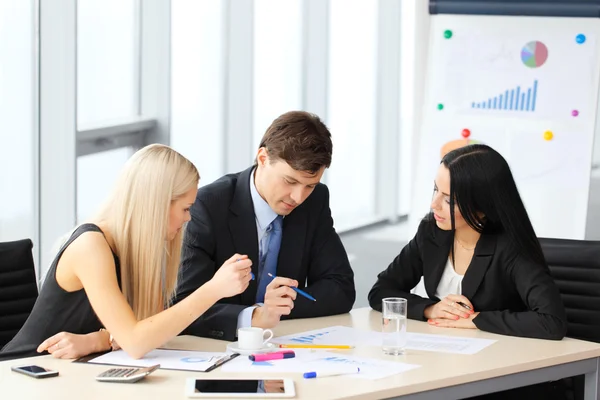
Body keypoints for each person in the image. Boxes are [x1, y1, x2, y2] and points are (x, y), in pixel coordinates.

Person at [1, 144, 252, 360]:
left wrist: (98, 341)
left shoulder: (145, 248)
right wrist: (214, 289)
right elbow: (135, 341)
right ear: (158, 204)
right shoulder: (91, 245)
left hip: (77, 372)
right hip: (25, 372)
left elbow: (151, 330)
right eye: (185, 208)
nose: (188, 218)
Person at [175, 111, 356, 341]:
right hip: (216, 348)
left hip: (282, 344)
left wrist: (273, 309)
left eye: (310, 185)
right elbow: (184, 305)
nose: (298, 197)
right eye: (290, 181)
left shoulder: (315, 201)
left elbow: (340, 289)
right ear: (262, 158)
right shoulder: (208, 206)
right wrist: (254, 316)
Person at [368, 144, 567, 340]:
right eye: (436, 190)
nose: (434, 204)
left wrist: (476, 320)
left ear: (482, 206)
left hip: (498, 356)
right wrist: (430, 309)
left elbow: (551, 322)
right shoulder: (431, 231)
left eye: (448, 200)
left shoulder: (510, 248)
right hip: (440, 347)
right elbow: (381, 291)